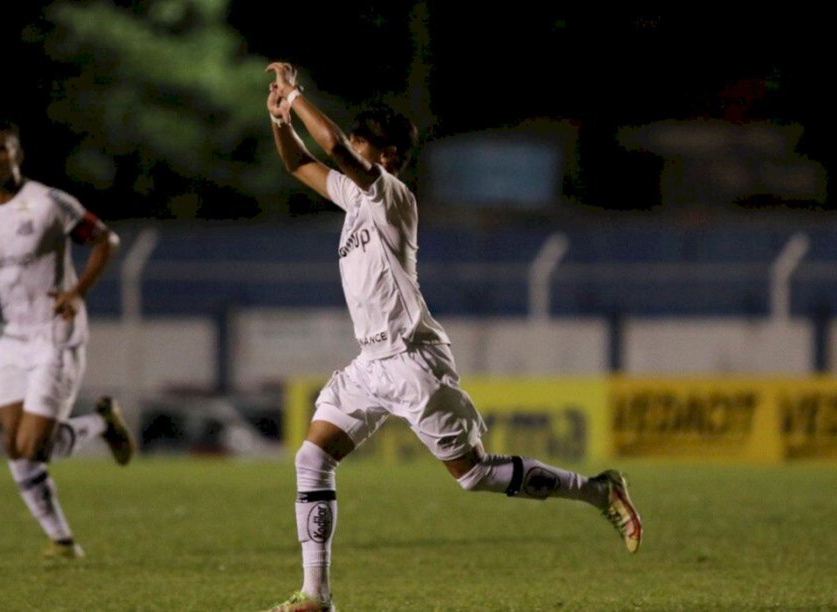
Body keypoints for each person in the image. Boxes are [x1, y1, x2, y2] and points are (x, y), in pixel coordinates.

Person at [261, 62, 643, 612]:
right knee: (312, 457)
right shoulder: (354, 199)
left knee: (474, 475)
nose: (351, 151)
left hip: (414, 359)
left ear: (387, 157)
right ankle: (315, 597)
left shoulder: (392, 197)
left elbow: (335, 150)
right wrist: (281, 120)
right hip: (370, 364)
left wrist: (296, 95)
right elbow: (300, 161)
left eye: (364, 145)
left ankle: (599, 490)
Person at [0, 120, 135, 559]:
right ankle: (63, 541)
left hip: (56, 335)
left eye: (1, 149)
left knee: (33, 446)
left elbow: (107, 240)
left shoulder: (48, 203)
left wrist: (76, 291)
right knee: (16, 447)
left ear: (16, 155)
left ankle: (103, 423)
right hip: (11, 340)